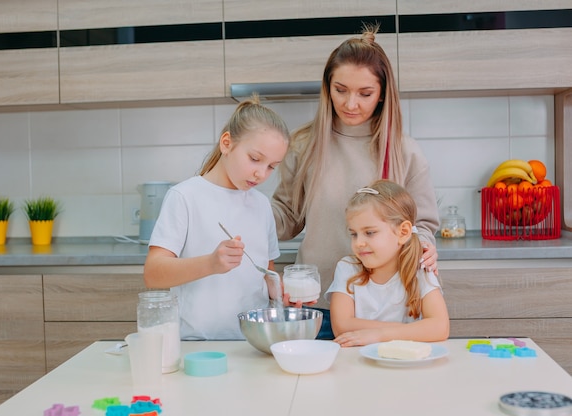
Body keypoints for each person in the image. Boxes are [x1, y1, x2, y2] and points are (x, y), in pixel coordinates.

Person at [271, 23, 440, 337]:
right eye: (341, 90)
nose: (351, 104)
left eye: (365, 93)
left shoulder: (405, 151)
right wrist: (238, 205)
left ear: (381, 94)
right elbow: (287, 219)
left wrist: (426, 246)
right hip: (314, 305)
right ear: (327, 87)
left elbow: (423, 226)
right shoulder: (303, 145)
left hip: (386, 310)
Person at [143, 95, 292, 340]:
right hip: (198, 344)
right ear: (227, 143)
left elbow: (266, 272)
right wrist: (211, 264)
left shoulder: (261, 205)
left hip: (253, 343)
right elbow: (153, 274)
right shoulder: (184, 197)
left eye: (271, 166)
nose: (261, 173)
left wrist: (282, 292)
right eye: (255, 159)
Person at [326, 180, 449, 347]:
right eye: (354, 234)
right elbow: (342, 327)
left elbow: (440, 327)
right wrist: (413, 330)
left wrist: (379, 335)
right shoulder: (348, 268)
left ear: (403, 232)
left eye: (369, 233)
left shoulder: (419, 268)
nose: (359, 243)